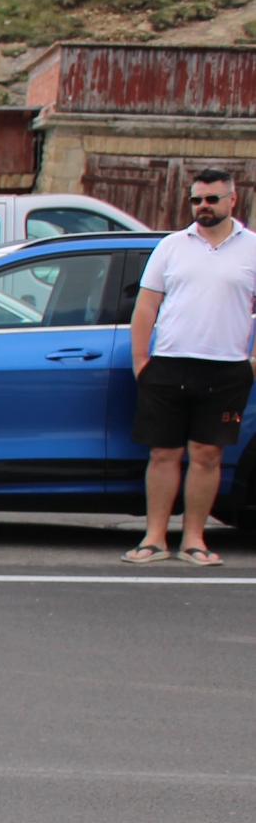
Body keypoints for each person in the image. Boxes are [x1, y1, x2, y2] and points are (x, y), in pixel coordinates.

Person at [124, 165, 256, 566]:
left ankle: (194, 539)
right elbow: (146, 305)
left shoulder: (252, 247)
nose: (203, 206)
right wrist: (141, 360)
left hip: (227, 368)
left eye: (212, 199)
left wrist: (252, 362)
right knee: (163, 454)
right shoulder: (171, 246)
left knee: (207, 455)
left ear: (233, 199)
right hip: (168, 366)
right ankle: (154, 538)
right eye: (196, 199)